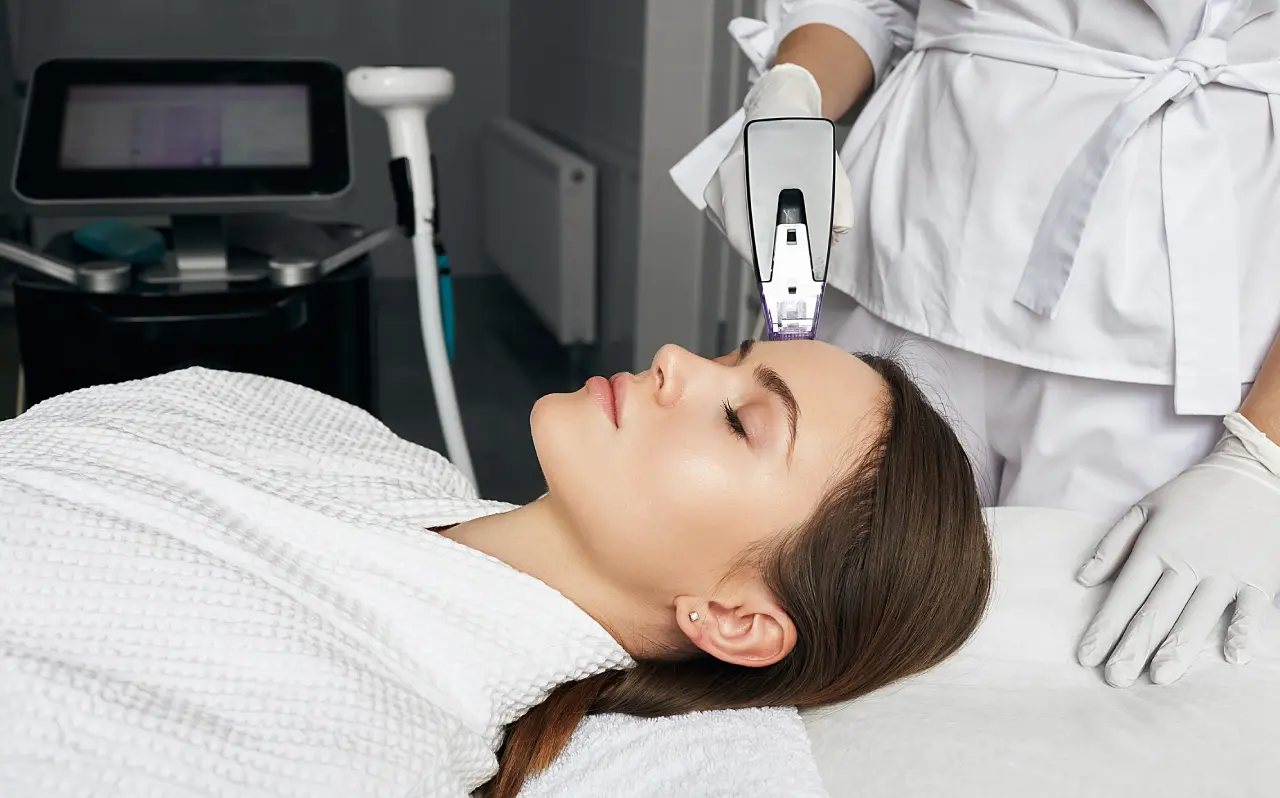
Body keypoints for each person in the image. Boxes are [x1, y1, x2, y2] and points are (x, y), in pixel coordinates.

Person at [0, 341, 991, 798]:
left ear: (731, 619)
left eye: (739, 418)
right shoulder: (331, 432)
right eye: (732, 355)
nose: (676, 359)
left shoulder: (360, 737)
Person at [675, 0, 1280, 689]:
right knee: (812, 646)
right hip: (900, 257)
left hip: (1170, 336)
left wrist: (1265, 455)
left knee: (1075, 684)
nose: (669, 366)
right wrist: (792, 91)